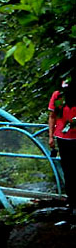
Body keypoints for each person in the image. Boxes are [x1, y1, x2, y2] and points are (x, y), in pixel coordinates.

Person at [48, 77, 76, 205]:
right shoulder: (58, 96)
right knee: (67, 167)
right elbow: (52, 116)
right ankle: (71, 197)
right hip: (62, 137)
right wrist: (51, 136)